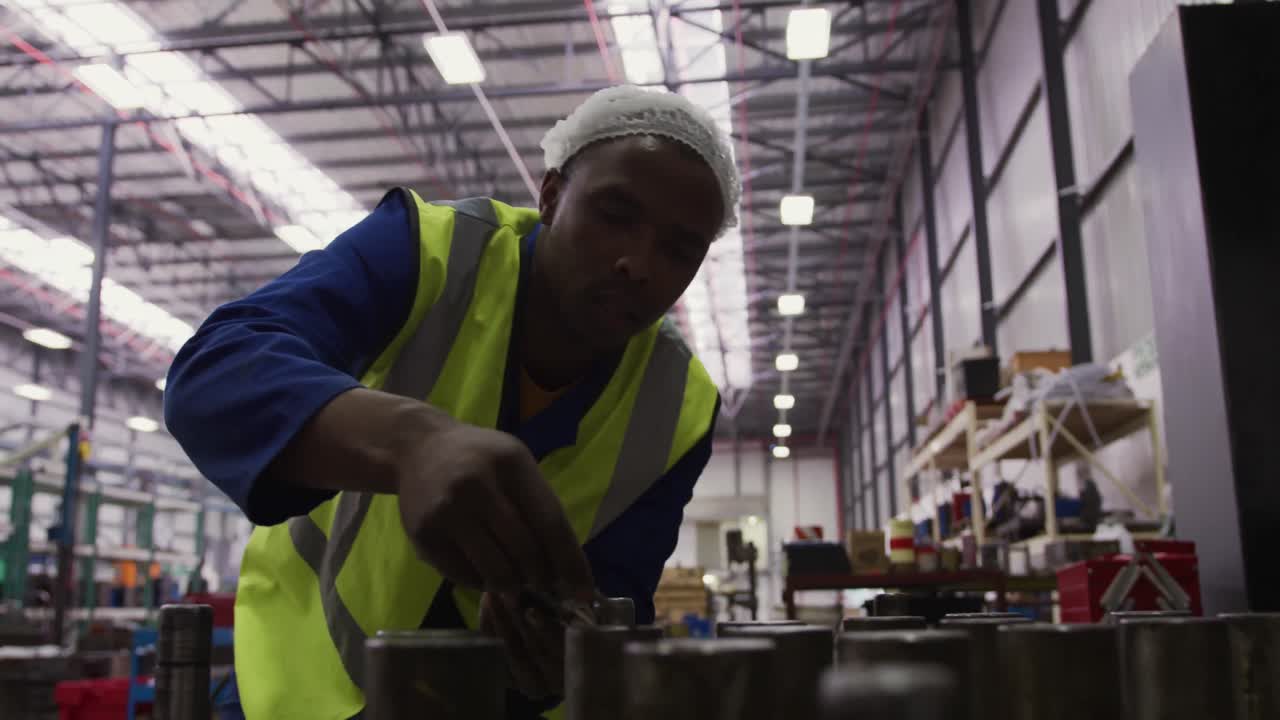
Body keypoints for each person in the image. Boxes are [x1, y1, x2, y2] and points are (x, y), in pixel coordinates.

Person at [164, 85, 739, 720]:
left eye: (680, 249)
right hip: (299, 686)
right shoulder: (428, 251)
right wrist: (411, 443)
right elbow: (214, 370)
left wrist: (560, 652)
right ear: (550, 195)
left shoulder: (679, 405)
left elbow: (614, 599)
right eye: (614, 214)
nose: (637, 262)